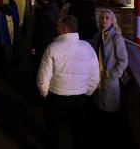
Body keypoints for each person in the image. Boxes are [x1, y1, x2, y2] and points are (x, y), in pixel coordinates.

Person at [37, 15, 99, 149]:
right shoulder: (88, 47)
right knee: (78, 131)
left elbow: (43, 77)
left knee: (54, 130)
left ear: (64, 29)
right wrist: (87, 92)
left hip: (56, 97)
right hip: (80, 98)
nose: (56, 28)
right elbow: (95, 76)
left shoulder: (52, 48)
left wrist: (44, 93)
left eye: (58, 26)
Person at [90, 9, 128, 113]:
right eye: (102, 18)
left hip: (109, 77)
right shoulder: (97, 36)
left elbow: (123, 60)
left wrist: (114, 74)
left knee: (110, 109)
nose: (104, 20)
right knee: (98, 106)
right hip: (98, 77)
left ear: (112, 20)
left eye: (107, 18)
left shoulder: (116, 38)